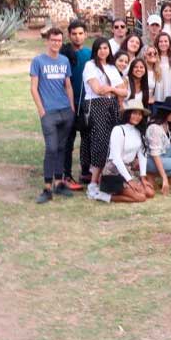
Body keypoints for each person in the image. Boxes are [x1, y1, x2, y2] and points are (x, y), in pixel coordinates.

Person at [31, 28, 75, 203]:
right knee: (51, 148)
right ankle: (47, 188)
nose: (56, 43)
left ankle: (59, 183)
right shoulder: (38, 61)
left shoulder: (64, 61)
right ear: (47, 41)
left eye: (59, 40)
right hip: (48, 112)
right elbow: (33, 88)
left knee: (61, 148)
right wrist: (41, 111)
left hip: (65, 110)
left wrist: (71, 107)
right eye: (53, 40)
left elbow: (68, 85)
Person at [81, 37, 127, 198]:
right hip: (96, 106)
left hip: (111, 106)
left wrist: (110, 89)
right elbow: (97, 89)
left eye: (105, 48)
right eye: (100, 48)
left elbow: (124, 92)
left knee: (112, 143)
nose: (103, 51)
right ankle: (92, 183)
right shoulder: (90, 66)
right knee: (99, 142)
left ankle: (104, 180)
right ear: (95, 50)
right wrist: (113, 89)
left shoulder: (112, 68)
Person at [93, 100, 155, 204]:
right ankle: (104, 197)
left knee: (150, 193)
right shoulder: (118, 130)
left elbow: (142, 155)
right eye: (134, 113)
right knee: (141, 198)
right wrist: (130, 181)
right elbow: (116, 159)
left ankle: (120, 192)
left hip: (128, 169)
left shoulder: (138, 131)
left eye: (140, 114)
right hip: (114, 170)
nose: (137, 116)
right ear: (128, 114)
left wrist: (143, 177)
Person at [62, 19, 91, 190]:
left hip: (86, 102)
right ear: (69, 35)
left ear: (85, 35)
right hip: (68, 103)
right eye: (74, 34)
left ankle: (85, 171)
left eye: (81, 33)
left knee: (87, 138)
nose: (77, 37)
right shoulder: (64, 54)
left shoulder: (90, 53)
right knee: (68, 139)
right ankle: (66, 174)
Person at [153, 32, 171, 100]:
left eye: (166, 41)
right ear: (157, 43)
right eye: (161, 41)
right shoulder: (154, 56)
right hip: (156, 91)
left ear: (169, 43)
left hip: (169, 92)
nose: (163, 44)